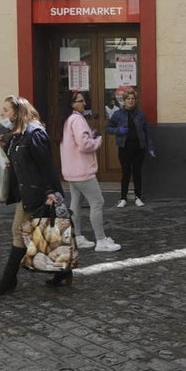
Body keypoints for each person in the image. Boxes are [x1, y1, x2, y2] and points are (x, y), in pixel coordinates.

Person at [0, 95, 69, 293]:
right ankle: (63, 271)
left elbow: (46, 165)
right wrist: (5, 143)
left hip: (38, 191)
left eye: (6, 110)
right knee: (46, 232)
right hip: (26, 191)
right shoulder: (17, 135)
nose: (2, 113)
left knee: (22, 231)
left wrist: (50, 191)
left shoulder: (35, 133)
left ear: (17, 112)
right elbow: (20, 159)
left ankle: (8, 280)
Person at [60, 90, 121, 252]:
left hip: (71, 171)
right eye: (80, 101)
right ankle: (101, 240)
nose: (84, 103)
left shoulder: (66, 119)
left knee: (76, 203)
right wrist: (97, 140)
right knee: (97, 202)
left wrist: (90, 136)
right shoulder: (77, 119)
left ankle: (77, 237)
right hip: (83, 171)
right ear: (72, 104)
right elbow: (84, 144)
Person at [106, 88, 156, 207]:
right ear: (124, 101)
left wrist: (150, 147)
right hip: (124, 148)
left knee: (137, 172)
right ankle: (123, 198)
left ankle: (138, 197)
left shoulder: (140, 114)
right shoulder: (118, 114)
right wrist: (118, 130)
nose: (131, 101)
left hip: (139, 148)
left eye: (133, 99)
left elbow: (146, 132)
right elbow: (108, 128)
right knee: (126, 172)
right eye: (128, 99)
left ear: (135, 100)